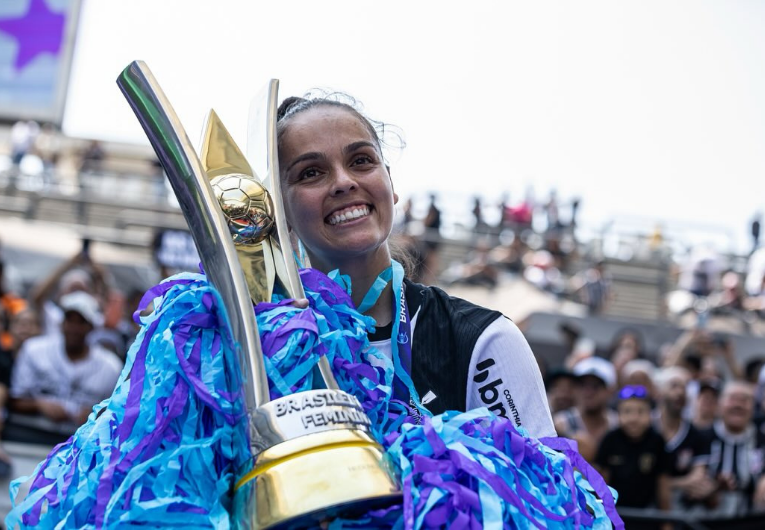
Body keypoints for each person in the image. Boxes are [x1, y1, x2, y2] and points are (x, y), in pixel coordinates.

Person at [275, 94, 555, 438]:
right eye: (311, 172)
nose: (344, 181)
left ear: (390, 185)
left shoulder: (483, 340)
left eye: (361, 161)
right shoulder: (262, 345)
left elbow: (538, 485)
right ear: (280, 208)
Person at [8, 291, 122, 444]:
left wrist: (95, 414)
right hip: (31, 435)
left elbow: (118, 414)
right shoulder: (34, 350)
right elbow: (14, 400)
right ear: (62, 323)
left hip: (82, 445)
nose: (73, 328)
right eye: (69, 320)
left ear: (91, 327)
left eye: (81, 322)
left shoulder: (111, 366)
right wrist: (39, 404)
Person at [595, 385, 672, 524]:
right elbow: (602, 482)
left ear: (650, 414)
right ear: (618, 414)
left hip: (648, 516)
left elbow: (663, 484)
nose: (634, 418)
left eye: (641, 411)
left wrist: (666, 522)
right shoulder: (610, 440)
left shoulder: (657, 441)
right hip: (616, 515)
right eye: (627, 411)